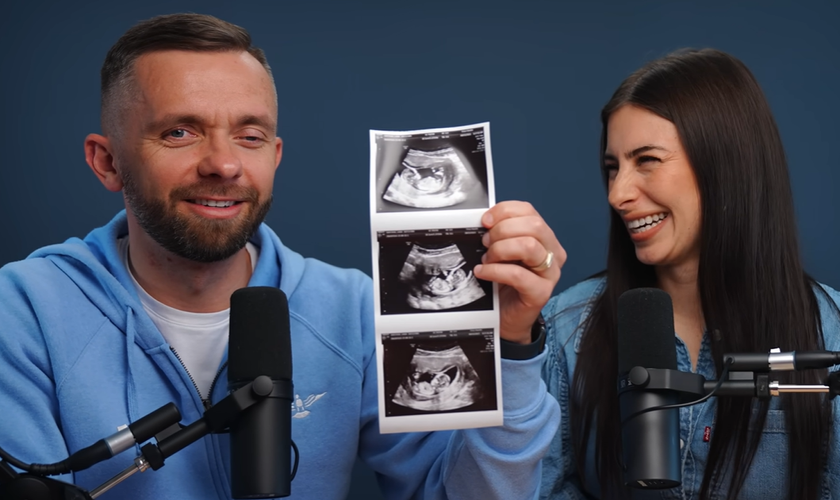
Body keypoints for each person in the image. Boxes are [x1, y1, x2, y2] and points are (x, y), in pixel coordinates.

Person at [0, 13, 566, 500]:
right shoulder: (25, 313)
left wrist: (511, 349)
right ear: (107, 163)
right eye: (179, 132)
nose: (223, 164)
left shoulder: (351, 312)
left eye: (249, 136)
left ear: (275, 156)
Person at [539, 48, 840, 499]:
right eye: (612, 168)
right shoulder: (566, 326)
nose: (618, 194)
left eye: (647, 160)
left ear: (726, 165)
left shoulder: (829, 335)